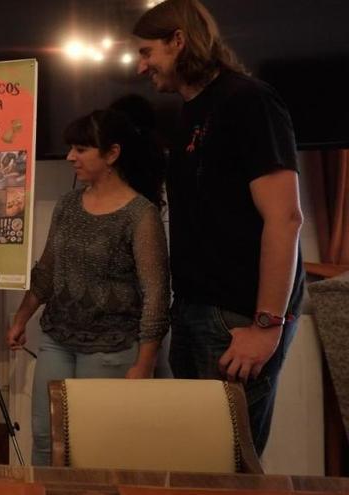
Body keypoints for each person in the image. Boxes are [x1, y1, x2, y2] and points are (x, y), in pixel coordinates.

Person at [133, 0, 304, 455]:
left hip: (239, 317)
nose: (140, 66)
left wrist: (267, 326)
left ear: (179, 41)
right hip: (195, 310)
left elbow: (285, 218)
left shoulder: (248, 100)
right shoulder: (192, 112)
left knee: (228, 466)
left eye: (148, 52)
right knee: (197, 461)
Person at [6, 109, 171, 466]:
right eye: (70, 148)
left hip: (112, 347)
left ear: (111, 154)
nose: (70, 157)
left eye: (81, 149)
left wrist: (145, 364)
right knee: (45, 439)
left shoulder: (140, 215)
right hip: (57, 339)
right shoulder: (67, 204)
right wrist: (21, 318)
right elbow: (47, 269)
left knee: (95, 449)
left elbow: (156, 296)